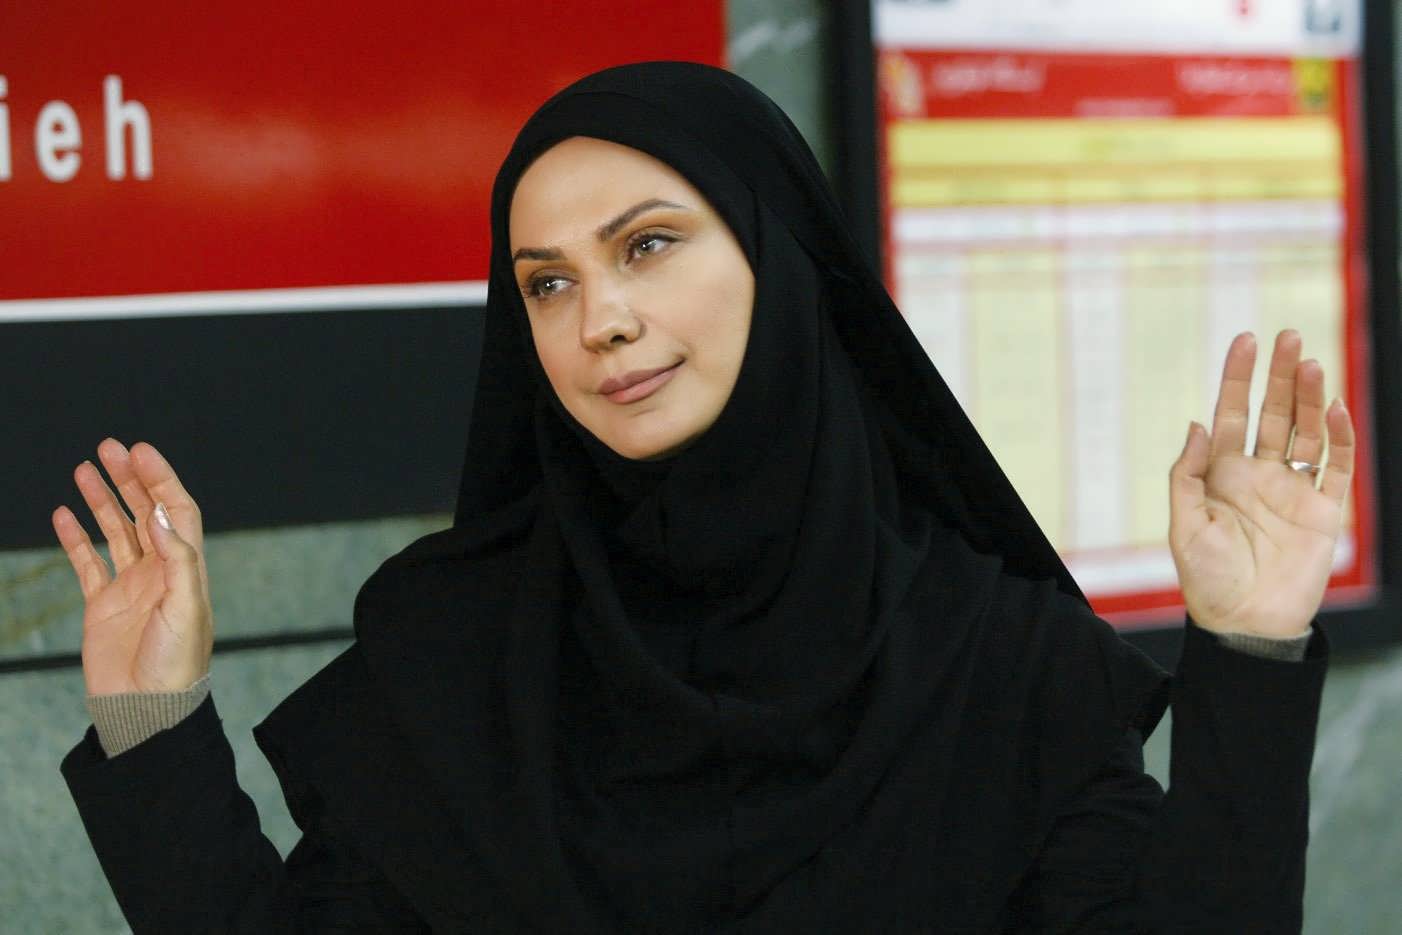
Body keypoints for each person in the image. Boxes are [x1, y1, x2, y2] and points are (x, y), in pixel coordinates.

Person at [54, 62, 1351, 933]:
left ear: (779, 258)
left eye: (649, 244)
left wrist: (1247, 647)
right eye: (547, 282)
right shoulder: (454, 652)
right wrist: (151, 719)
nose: (600, 319)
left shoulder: (995, 663)